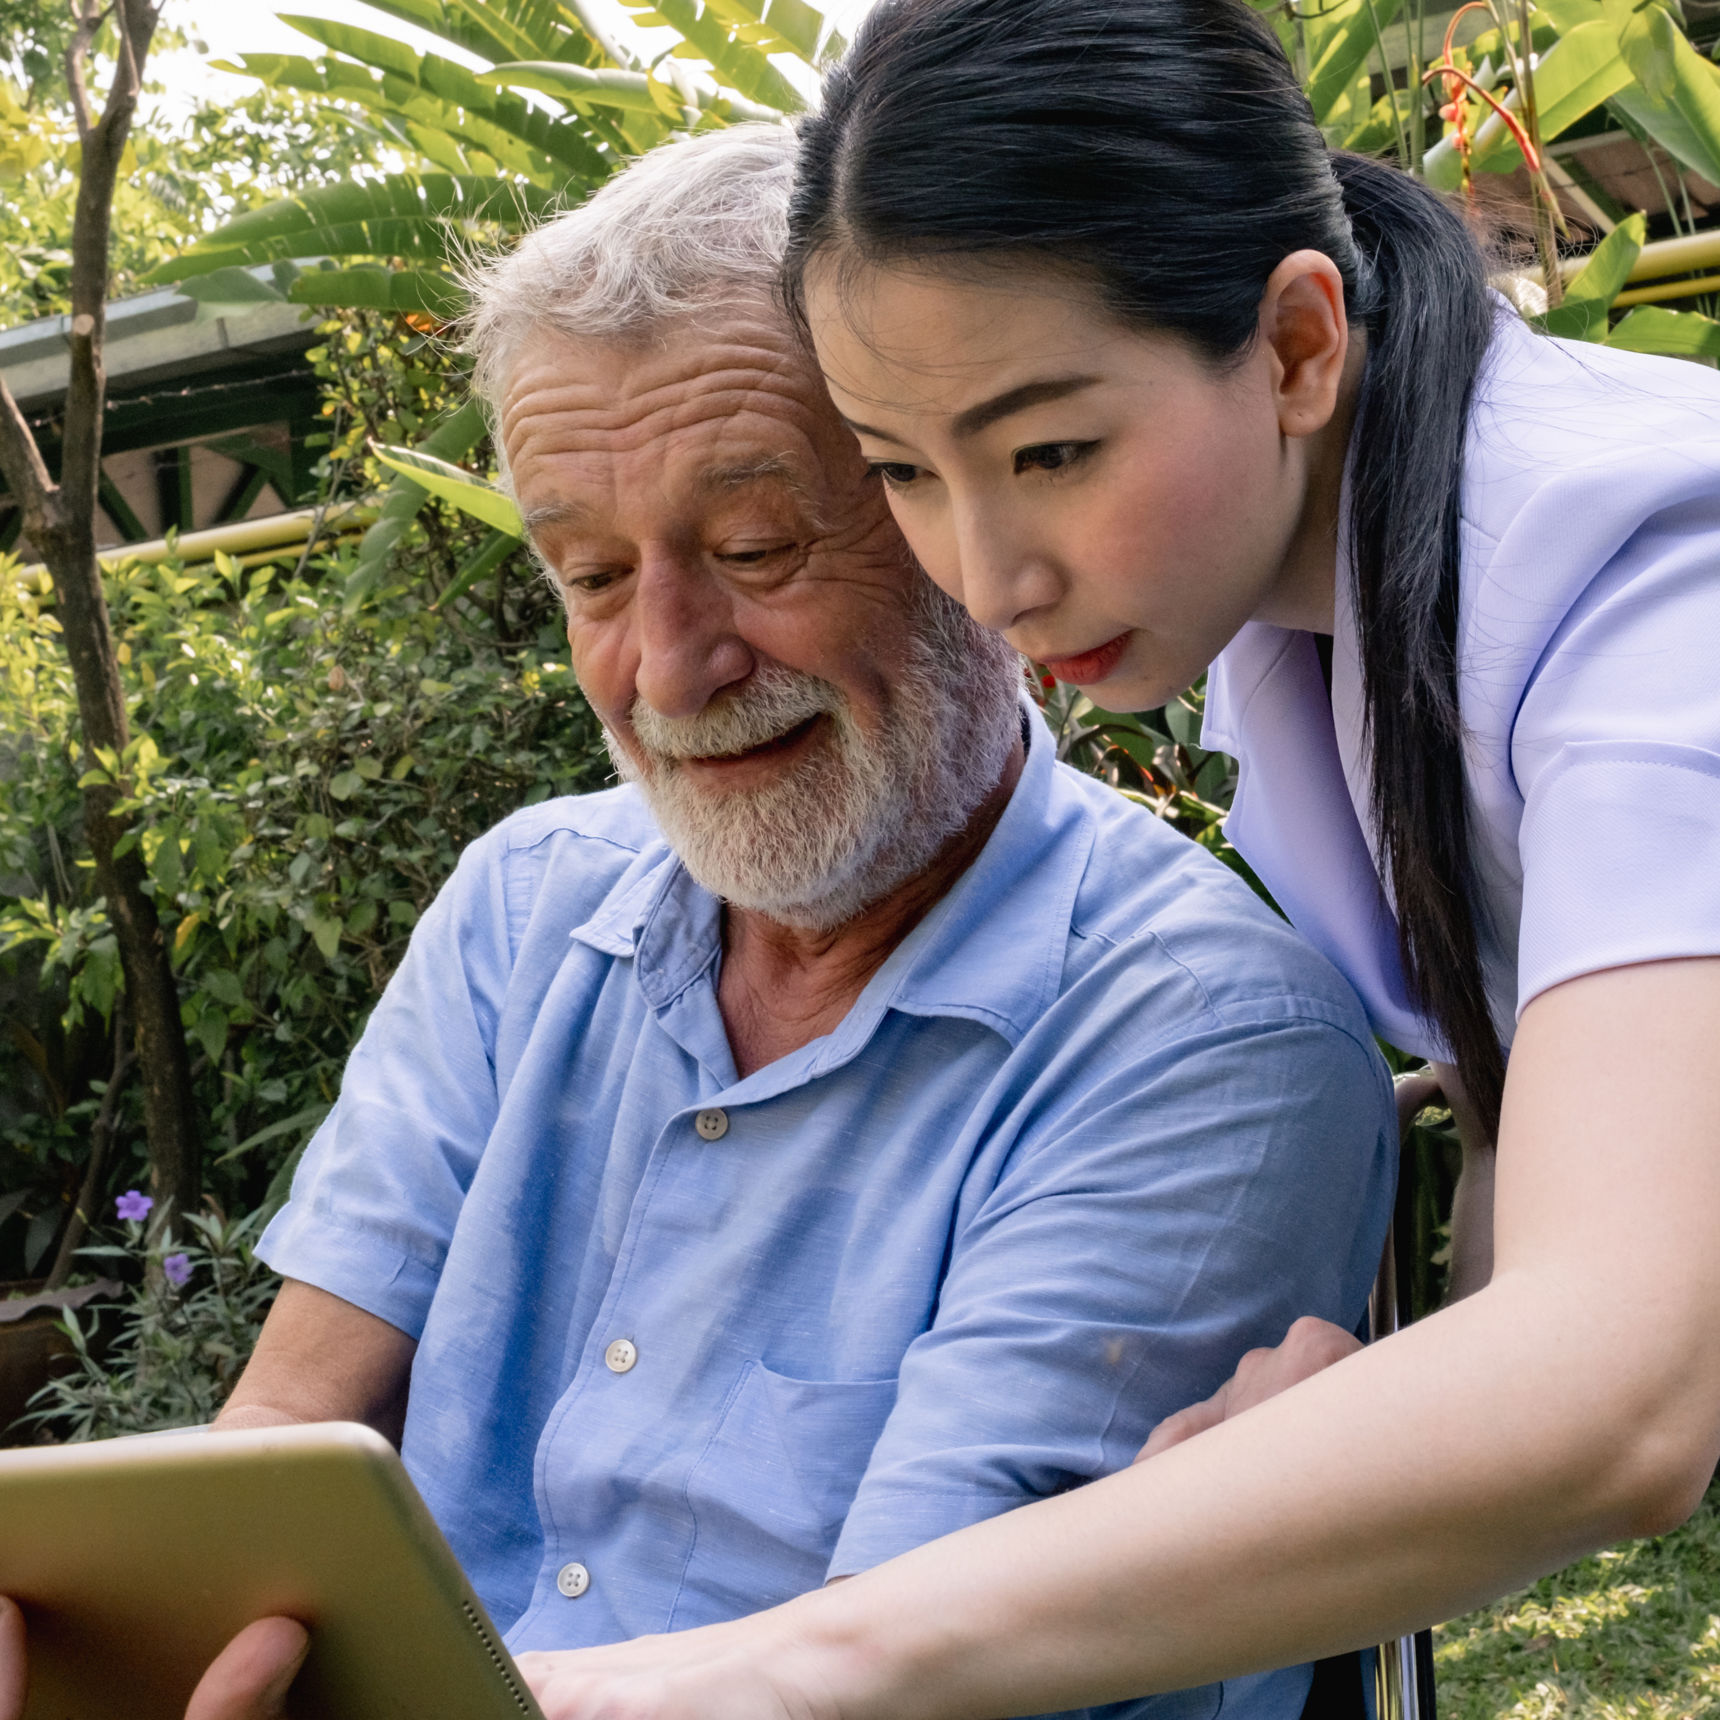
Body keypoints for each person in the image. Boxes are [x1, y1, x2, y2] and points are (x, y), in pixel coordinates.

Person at [0, 125, 1400, 1720]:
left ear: (954, 517)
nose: (667, 668)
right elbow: (276, 1462)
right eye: (591, 576)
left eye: (754, 550)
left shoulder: (1204, 1042)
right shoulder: (523, 909)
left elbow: (904, 1676)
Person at [457, 0, 1720, 1715]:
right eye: (904, 471)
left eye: (1052, 451)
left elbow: (1621, 1398)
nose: (990, 572)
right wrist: (1383, 1417)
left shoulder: (1655, 594)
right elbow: (1554, 1123)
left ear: (1292, 345)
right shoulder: (1313, 625)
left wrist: (758, 1672)